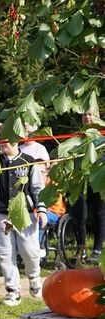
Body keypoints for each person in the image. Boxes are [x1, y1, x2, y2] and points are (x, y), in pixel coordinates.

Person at [0, 141, 46, 306]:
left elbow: (38, 188)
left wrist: (41, 209)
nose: (4, 144)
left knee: (29, 250)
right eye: (1, 140)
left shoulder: (29, 161)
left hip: (24, 213)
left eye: (7, 140)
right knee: (5, 253)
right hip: (1, 215)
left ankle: (34, 277)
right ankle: (13, 290)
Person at [71, 108, 105, 263]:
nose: (87, 117)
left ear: (97, 117)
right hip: (81, 180)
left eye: (90, 114)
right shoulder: (77, 136)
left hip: (99, 180)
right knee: (80, 215)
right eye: (84, 114)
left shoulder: (102, 135)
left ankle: (97, 248)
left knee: (99, 215)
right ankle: (82, 247)